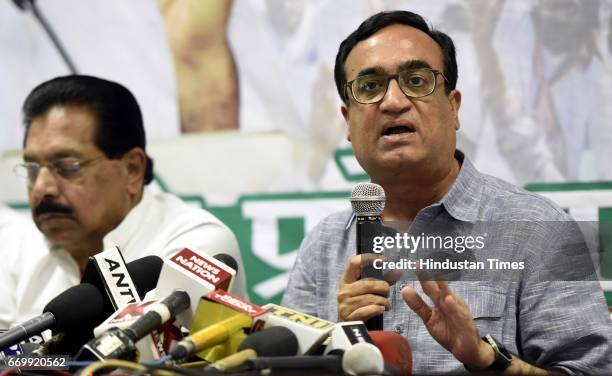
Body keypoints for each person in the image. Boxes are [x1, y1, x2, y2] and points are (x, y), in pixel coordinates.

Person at [282, 10, 612, 375]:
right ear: (348, 122)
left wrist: (488, 360)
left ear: (453, 107)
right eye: (370, 87)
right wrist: (334, 344)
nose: (393, 101)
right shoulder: (325, 245)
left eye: (417, 80)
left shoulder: (537, 228)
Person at [0, 75, 247, 328]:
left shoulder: (194, 244)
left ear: (132, 170)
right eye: (31, 168)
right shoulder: (15, 250)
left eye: (67, 166)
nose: (42, 187)